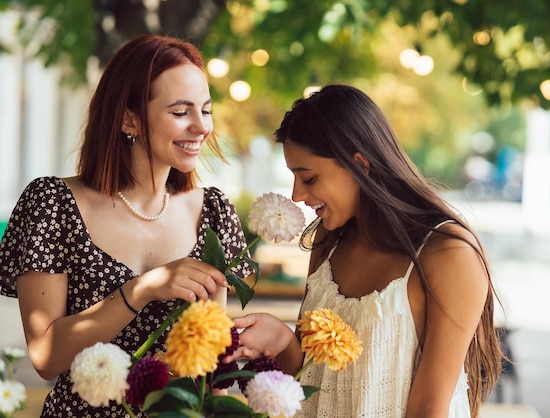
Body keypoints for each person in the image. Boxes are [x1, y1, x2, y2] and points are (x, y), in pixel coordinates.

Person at [0, 34, 250, 417]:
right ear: (128, 117)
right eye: (181, 112)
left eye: (206, 109)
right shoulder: (52, 204)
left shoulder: (214, 213)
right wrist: (142, 290)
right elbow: (45, 356)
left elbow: (207, 360)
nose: (202, 127)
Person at [224, 84, 502, 418]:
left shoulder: (448, 253)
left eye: (308, 178)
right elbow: (311, 377)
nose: (296, 194)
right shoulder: (330, 241)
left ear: (360, 164)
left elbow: (429, 408)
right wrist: (282, 340)